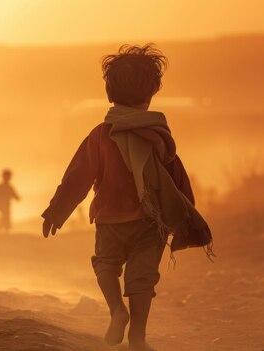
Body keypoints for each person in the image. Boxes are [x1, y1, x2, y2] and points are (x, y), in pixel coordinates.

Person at [40, 45, 213, 351]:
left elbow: (78, 176)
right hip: (151, 221)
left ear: (109, 93)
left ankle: (116, 312)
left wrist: (57, 210)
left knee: (106, 265)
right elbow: (175, 180)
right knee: (142, 279)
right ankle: (138, 337)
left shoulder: (101, 134)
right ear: (152, 93)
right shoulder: (159, 134)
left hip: (110, 218)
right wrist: (187, 216)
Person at [0, 169, 20, 233]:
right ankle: (4, 228)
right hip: (2, 205)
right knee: (5, 215)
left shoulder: (5, 187)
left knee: (4, 215)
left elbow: (15, 196)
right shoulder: (5, 187)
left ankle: (2, 228)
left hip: (4, 205)